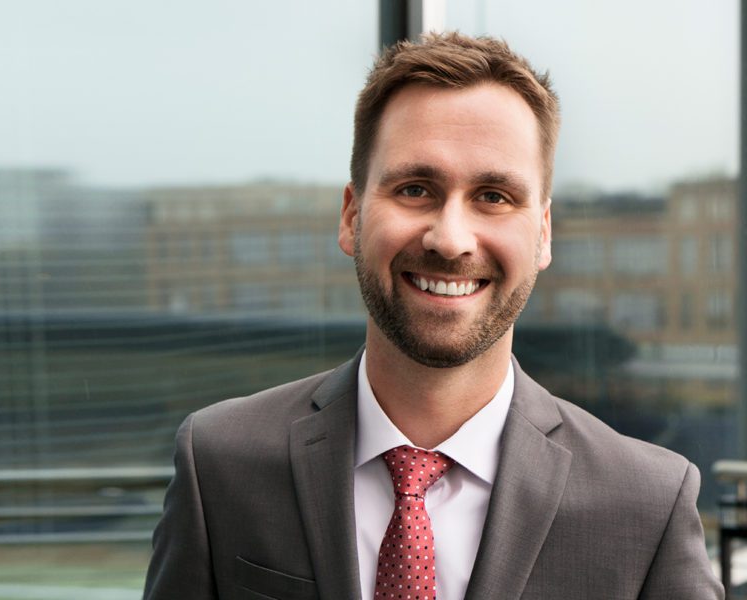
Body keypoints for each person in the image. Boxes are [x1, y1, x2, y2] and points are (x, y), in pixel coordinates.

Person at [143, 33, 724, 599]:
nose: (450, 239)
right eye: (416, 188)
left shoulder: (647, 503)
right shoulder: (220, 461)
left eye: (494, 196)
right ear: (352, 216)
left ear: (543, 233)